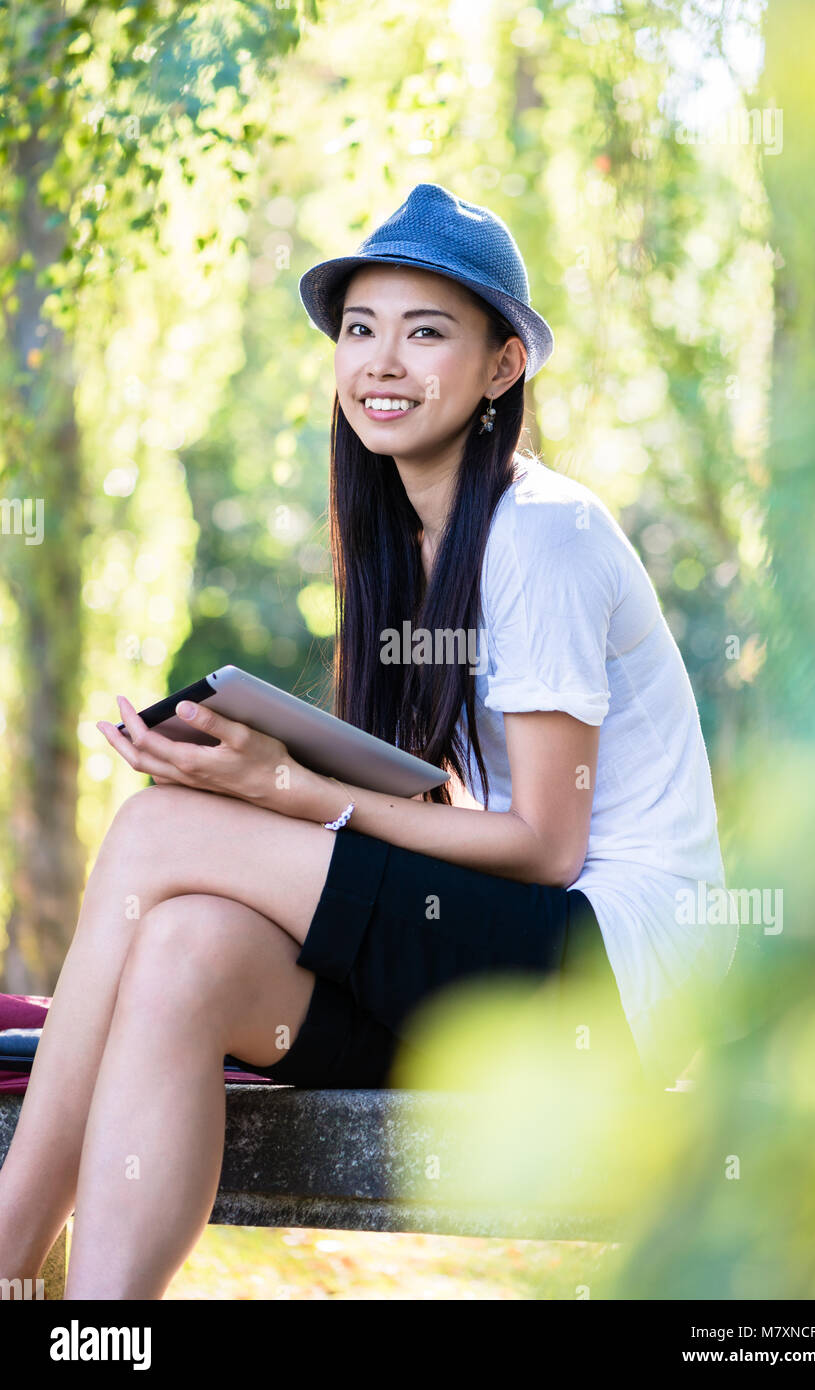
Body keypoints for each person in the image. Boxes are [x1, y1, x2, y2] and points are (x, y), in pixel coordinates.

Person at [0, 182, 736, 1300]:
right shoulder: (409, 545)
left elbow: (544, 844)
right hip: (502, 958)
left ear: (501, 369)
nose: (382, 362)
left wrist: (292, 791)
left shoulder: (543, 533)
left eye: (426, 331)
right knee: (185, 947)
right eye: (361, 330)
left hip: (612, 978)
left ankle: (3, 1254)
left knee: (155, 832)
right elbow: (445, 824)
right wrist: (270, 781)